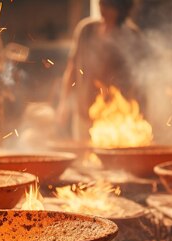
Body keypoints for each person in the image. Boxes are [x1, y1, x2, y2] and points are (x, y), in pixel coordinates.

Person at [57, 0, 142, 140]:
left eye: (109, 7)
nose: (103, 10)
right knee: (84, 158)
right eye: (102, 5)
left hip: (116, 116)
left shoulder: (132, 36)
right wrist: (64, 102)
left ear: (121, 10)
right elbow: (72, 67)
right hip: (84, 111)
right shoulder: (86, 30)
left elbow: (138, 78)